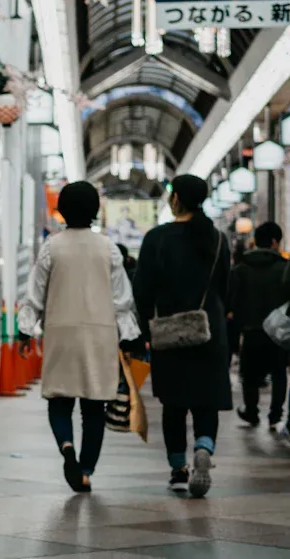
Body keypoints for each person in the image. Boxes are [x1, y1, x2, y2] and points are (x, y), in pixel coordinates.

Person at [18, 181, 140, 493]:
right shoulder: (108, 248)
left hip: (60, 333)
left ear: (62, 208)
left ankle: (66, 448)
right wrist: (130, 336)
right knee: (93, 408)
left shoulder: (52, 247)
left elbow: (34, 295)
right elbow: (122, 300)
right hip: (100, 336)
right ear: (95, 210)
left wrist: (25, 329)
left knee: (59, 400)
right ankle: (85, 472)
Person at [132, 174, 230, 498]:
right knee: (207, 402)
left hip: (170, 333)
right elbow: (225, 290)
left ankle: (178, 469)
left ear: (176, 199)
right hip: (209, 331)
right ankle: (204, 447)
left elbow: (142, 291)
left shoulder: (157, 238)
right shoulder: (217, 239)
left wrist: (141, 330)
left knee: (173, 405)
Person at [229, 222, 289, 430]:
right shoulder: (283, 268)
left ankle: (252, 411)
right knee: (279, 373)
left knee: (249, 374)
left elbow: (232, 300)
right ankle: (275, 415)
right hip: (279, 332)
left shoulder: (241, 268)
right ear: (274, 241)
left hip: (251, 329)